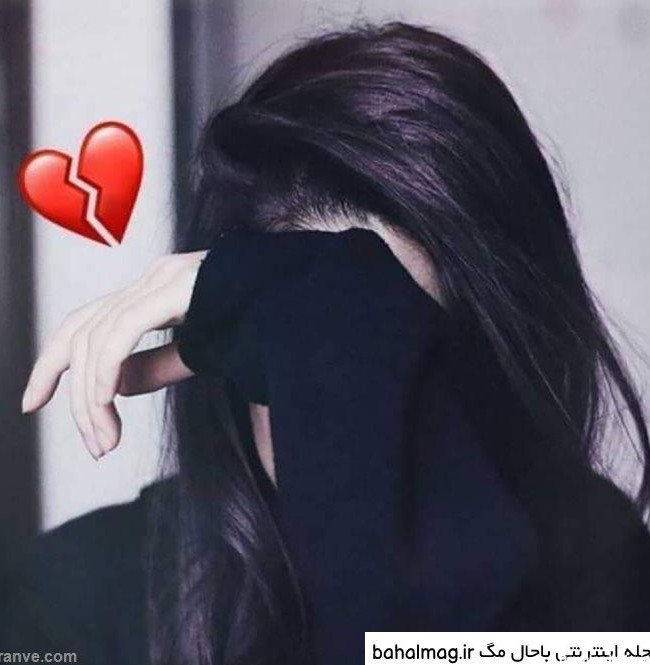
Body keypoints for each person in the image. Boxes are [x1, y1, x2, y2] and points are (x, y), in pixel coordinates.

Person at [3, 22, 650, 665]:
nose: (360, 418)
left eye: (396, 356)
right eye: (316, 349)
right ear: (232, 352)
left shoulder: (605, 586)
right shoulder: (65, 610)